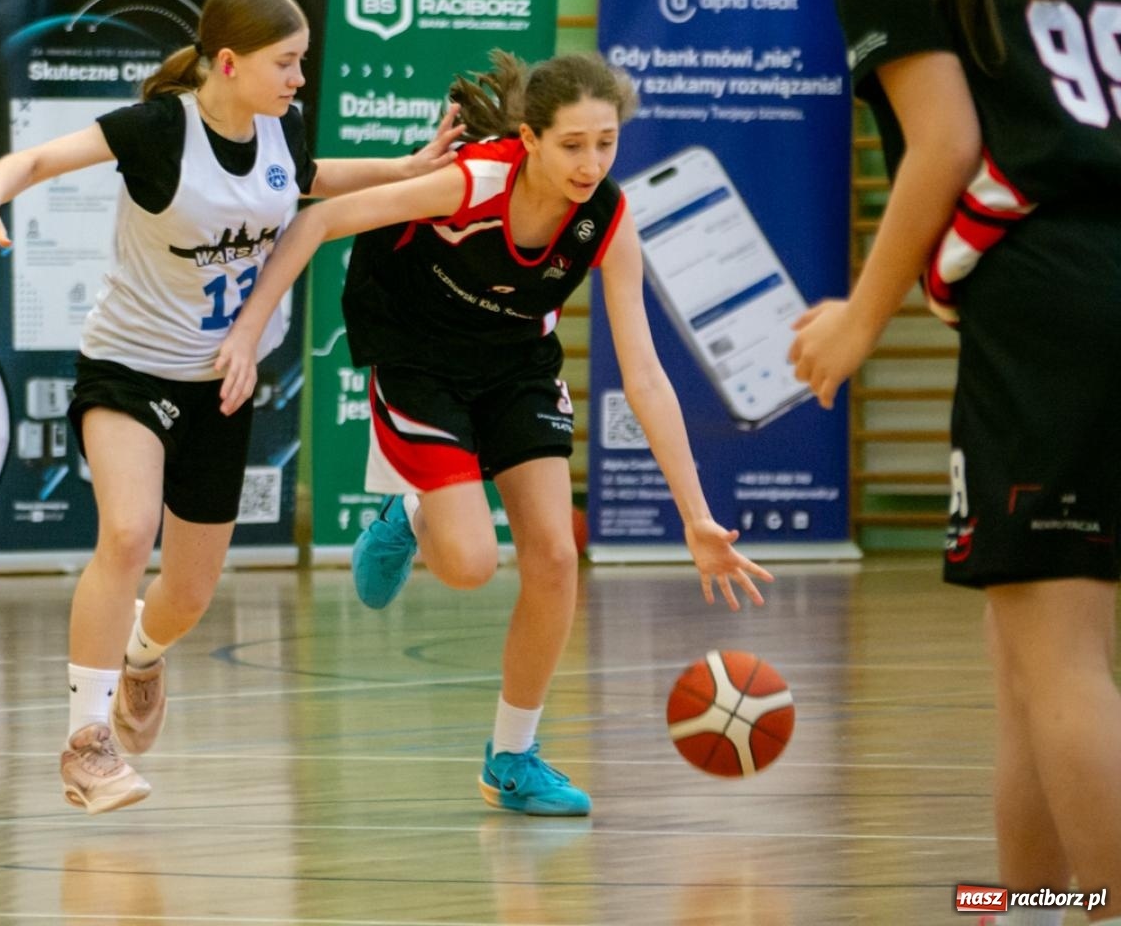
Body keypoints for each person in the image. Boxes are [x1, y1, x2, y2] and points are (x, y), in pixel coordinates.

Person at [0, 0, 461, 814]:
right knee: (126, 531)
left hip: (219, 386)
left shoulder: (281, 131)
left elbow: (310, 178)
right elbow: (35, 158)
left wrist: (405, 166)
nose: (298, 79)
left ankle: (143, 652)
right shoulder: (157, 131)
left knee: (186, 594)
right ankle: (86, 743)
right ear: (227, 62)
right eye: (286, 63)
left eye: (301, 64)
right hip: (128, 372)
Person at [216, 50, 772, 816]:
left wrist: (696, 516)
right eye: (573, 144)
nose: (591, 163)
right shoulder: (470, 184)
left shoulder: (606, 217)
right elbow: (320, 219)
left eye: (605, 143)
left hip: (515, 366)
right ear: (531, 138)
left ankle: (511, 757)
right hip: (419, 361)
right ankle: (409, 516)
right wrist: (248, 333)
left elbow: (644, 374)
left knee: (551, 555)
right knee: (473, 564)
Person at [788, 0, 1121, 919]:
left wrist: (859, 318)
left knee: (1062, 665)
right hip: (1090, 282)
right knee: (1028, 664)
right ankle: (1034, 912)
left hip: (1049, 309)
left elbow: (949, 144)